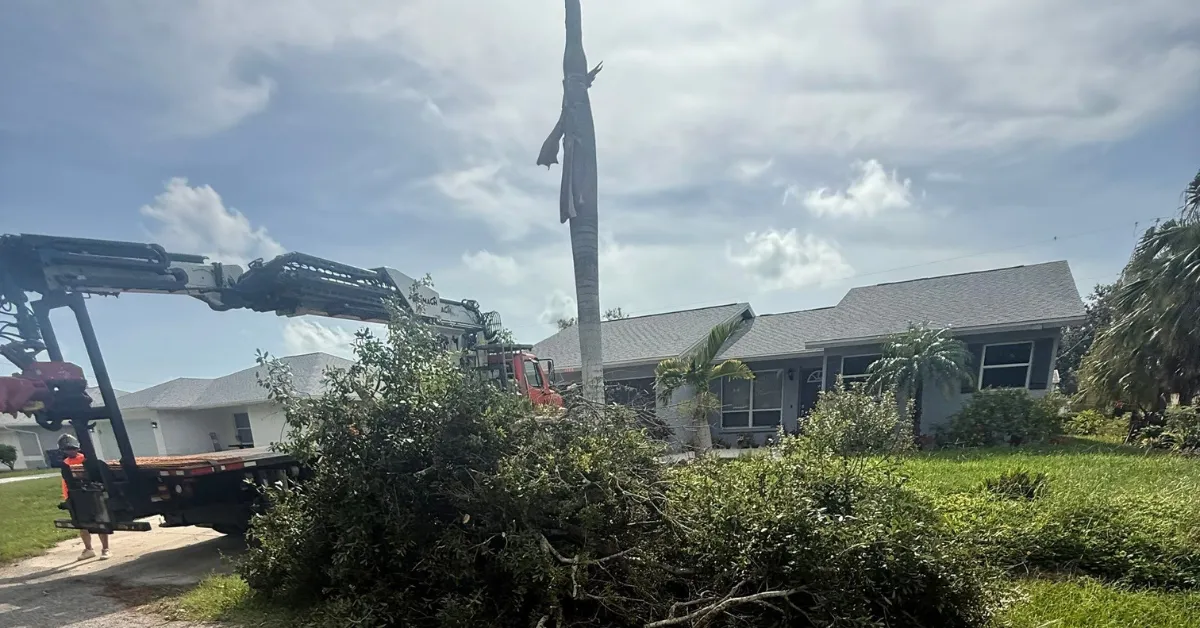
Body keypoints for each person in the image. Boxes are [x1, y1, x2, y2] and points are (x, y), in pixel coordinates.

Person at [57, 434, 110, 561]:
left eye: (72, 448)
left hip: (91, 495)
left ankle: (105, 549)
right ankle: (88, 549)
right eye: (67, 449)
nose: (70, 451)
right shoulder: (65, 464)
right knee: (82, 524)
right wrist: (67, 497)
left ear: (77, 448)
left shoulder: (86, 461)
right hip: (73, 497)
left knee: (99, 522)